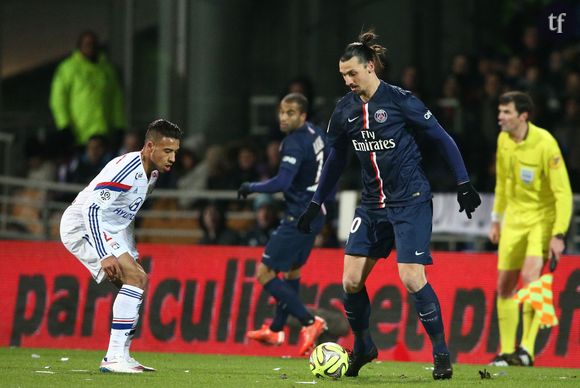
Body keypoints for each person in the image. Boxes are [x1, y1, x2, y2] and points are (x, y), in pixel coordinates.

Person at [297, 30, 481, 380]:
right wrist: (316, 202)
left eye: (353, 73)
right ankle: (364, 345)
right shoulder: (344, 110)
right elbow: (336, 159)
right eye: (343, 75)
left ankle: (441, 353)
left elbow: (442, 137)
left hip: (410, 201)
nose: (348, 80)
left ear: (370, 66)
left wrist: (464, 183)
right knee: (350, 281)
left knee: (411, 277)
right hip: (371, 206)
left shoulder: (400, 100)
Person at [59, 119, 182, 373]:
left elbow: (124, 214)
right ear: (149, 146)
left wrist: (129, 248)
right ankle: (113, 357)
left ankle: (122, 356)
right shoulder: (127, 169)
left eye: (175, 153)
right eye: (167, 151)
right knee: (135, 279)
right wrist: (105, 254)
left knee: (137, 280)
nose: (172, 158)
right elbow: (92, 209)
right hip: (81, 226)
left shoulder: (153, 174)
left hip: (107, 228)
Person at [238, 93, 329, 356]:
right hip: (315, 211)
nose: (283, 117)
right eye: (281, 111)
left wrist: (251, 186)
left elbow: (282, 183)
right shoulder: (318, 134)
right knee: (291, 271)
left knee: (264, 273)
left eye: (290, 113)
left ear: (303, 116)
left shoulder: (294, 143)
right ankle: (277, 329)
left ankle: (311, 322)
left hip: (298, 216)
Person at [488, 91, 572, 367]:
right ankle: (507, 351)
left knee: (530, 277)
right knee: (504, 286)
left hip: (541, 219)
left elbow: (563, 193)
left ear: (523, 116)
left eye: (506, 112)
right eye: (500, 112)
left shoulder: (545, 143)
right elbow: (502, 182)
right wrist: (496, 219)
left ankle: (526, 350)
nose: (500, 117)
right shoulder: (503, 140)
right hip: (513, 219)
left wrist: (559, 234)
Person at [50, 30, 126, 146]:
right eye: (87, 44)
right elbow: (58, 99)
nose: (91, 48)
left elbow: (116, 100)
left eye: (93, 44)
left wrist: (119, 125)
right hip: (79, 134)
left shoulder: (108, 70)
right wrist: (64, 125)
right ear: (80, 47)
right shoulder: (68, 69)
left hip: (104, 134)